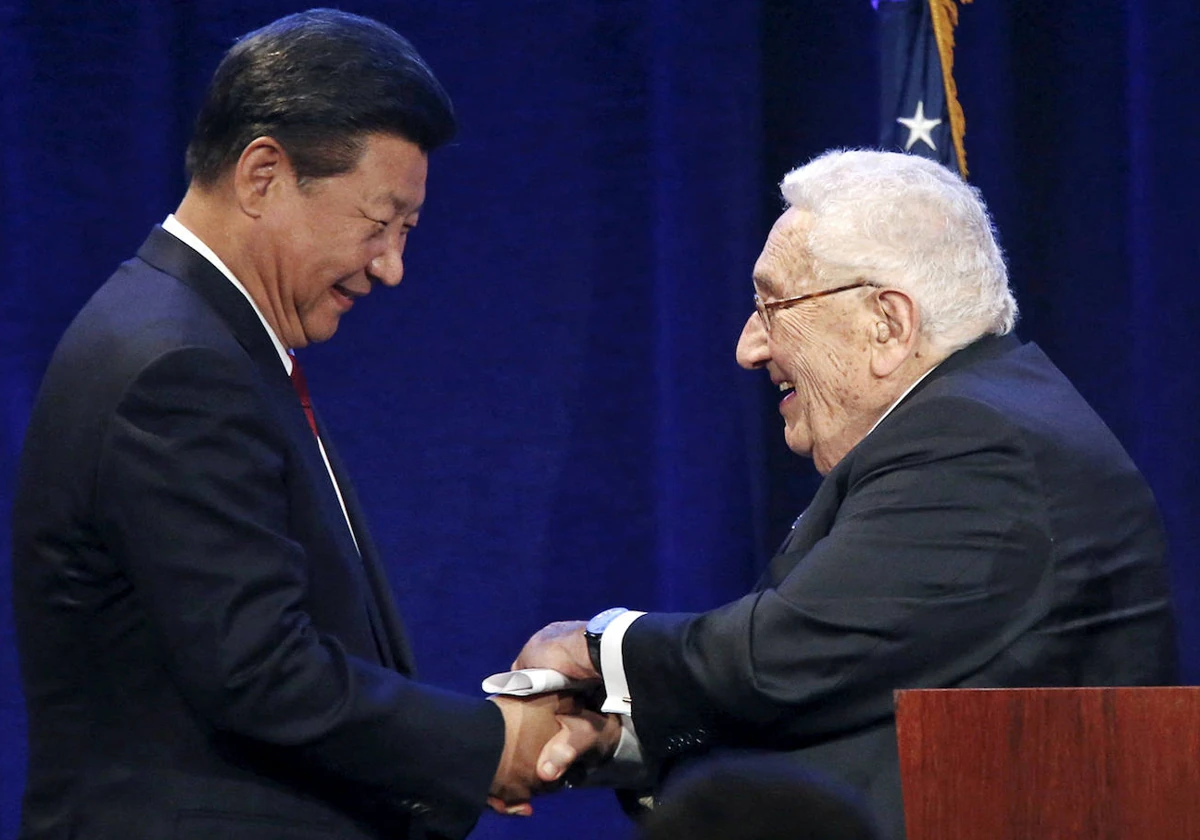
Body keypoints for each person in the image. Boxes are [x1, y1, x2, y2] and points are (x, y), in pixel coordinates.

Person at [11, 10, 592, 840]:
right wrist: (486, 745)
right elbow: (258, 672)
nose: (391, 266)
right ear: (262, 175)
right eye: (379, 223)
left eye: (407, 232)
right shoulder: (177, 364)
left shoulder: (201, 336)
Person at [511, 149, 1179, 840]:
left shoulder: (977, 443)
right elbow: (849, 693)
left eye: (773, 306)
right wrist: (619, 733)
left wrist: (599, 646)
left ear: (888, 324)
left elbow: (786, 656)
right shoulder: (979, 420)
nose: (749, 347)